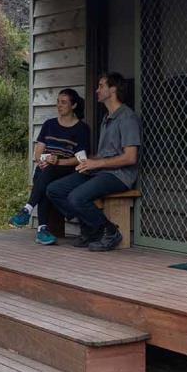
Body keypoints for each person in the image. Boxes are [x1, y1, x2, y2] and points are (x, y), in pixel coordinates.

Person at [46, 72, 140, 252]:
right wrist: (87, 160)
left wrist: (97, 164)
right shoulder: (107, 118)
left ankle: (110, 231)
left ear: (112, 89)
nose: (97, 90)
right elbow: (105, 154)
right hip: (101, 171)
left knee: (76, 197)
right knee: (54, 190)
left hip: (119, 175)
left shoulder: (127, 118)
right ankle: (91, 229)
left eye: (101, 86)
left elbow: (130, 157)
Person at [9, 89, 91, 245]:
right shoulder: (49, 125)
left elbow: (80, 159)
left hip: (67, 170)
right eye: (58, 102)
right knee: (46, 173)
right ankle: (41, 230)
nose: (59, 106)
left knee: (47, 173)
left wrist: (57, 161)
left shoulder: (82, 129)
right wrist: (43, 159)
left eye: (64, 102)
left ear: (73, 105)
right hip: (47, 168)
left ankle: (28, 210)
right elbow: (38, 153)